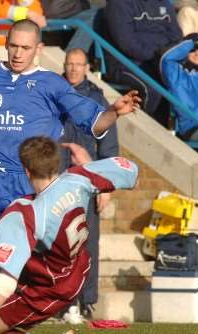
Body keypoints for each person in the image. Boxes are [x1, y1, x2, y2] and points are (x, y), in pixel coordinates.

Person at [0, 19, 140, 334]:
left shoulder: (52, 85)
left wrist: (114, 112)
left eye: (25, 48)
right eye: (13, 46)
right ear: (6, 43)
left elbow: (96, 123)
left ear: (39, 49)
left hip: (27, 184)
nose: (18, 53)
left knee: (13, 268)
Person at [0, 136, 138, 334]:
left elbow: (6, 282)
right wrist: (88, 165)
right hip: (76, 268)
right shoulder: (79, 178)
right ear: (56, 162)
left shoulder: (26, 213)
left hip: (47, 289)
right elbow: (131, 171)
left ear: (27, 171)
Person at [62, 48, 119, 319]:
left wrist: (106, 184)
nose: (73, 69)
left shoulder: (96, 98)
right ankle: (60, 302)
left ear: (86, 67)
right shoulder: (52, 91)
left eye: (78, 64)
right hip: (55, 180)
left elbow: (108, 146)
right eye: (69, 64)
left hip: (86, 182)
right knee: (57, 243)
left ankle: (86, 300)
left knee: (87, 243)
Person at [104, 0, 182, 125]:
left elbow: (176, 36)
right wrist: (158, 53)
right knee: (152, 89)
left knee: (184, 85)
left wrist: (162, 55)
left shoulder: (164, 3)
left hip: (160, 60)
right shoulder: (118, 4)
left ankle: (183, 130)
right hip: (125, 62)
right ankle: (149, 129)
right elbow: (128, 44)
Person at [160, 33, 198, 160]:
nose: (197, 53)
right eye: (193, 50)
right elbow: (166, 60)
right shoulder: (178, 75)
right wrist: (190, 43)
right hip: (194, 126)